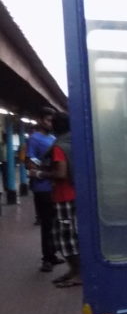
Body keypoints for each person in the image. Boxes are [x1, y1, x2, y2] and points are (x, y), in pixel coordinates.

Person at [37, 115, 80, 287]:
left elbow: (61, 173)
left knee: (66, 237)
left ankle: (79, 273)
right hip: (72, 196)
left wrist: (40, 174)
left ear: (55, 128)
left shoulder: (58, 147)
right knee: (65, 235)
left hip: (64, 199)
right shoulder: (72, 142)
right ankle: (73, 270)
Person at [26, 107, 62, 271]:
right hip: (42, 187)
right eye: (48, 120)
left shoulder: (53, 137)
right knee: (47, 223)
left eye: (52, 120)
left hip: (53, 186)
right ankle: (46, 259)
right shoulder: (34, 139)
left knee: (54, 222)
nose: (50, 123)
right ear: (40, 120)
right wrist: (45, 170)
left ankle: (52, 254)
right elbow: (31, 161)